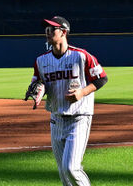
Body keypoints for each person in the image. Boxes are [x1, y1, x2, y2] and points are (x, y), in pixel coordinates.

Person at [26, 16, 107, 186]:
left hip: (78, 118)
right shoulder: (41, 61)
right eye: (46, 29)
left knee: (71, 168)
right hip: (56, 120)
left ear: (63, 32)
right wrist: (38, 90)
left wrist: (82, 92)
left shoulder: (81, 56)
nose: (47, 32)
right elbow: (37, 83)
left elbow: (101, 78)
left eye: (52, 29)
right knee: (64, 174)